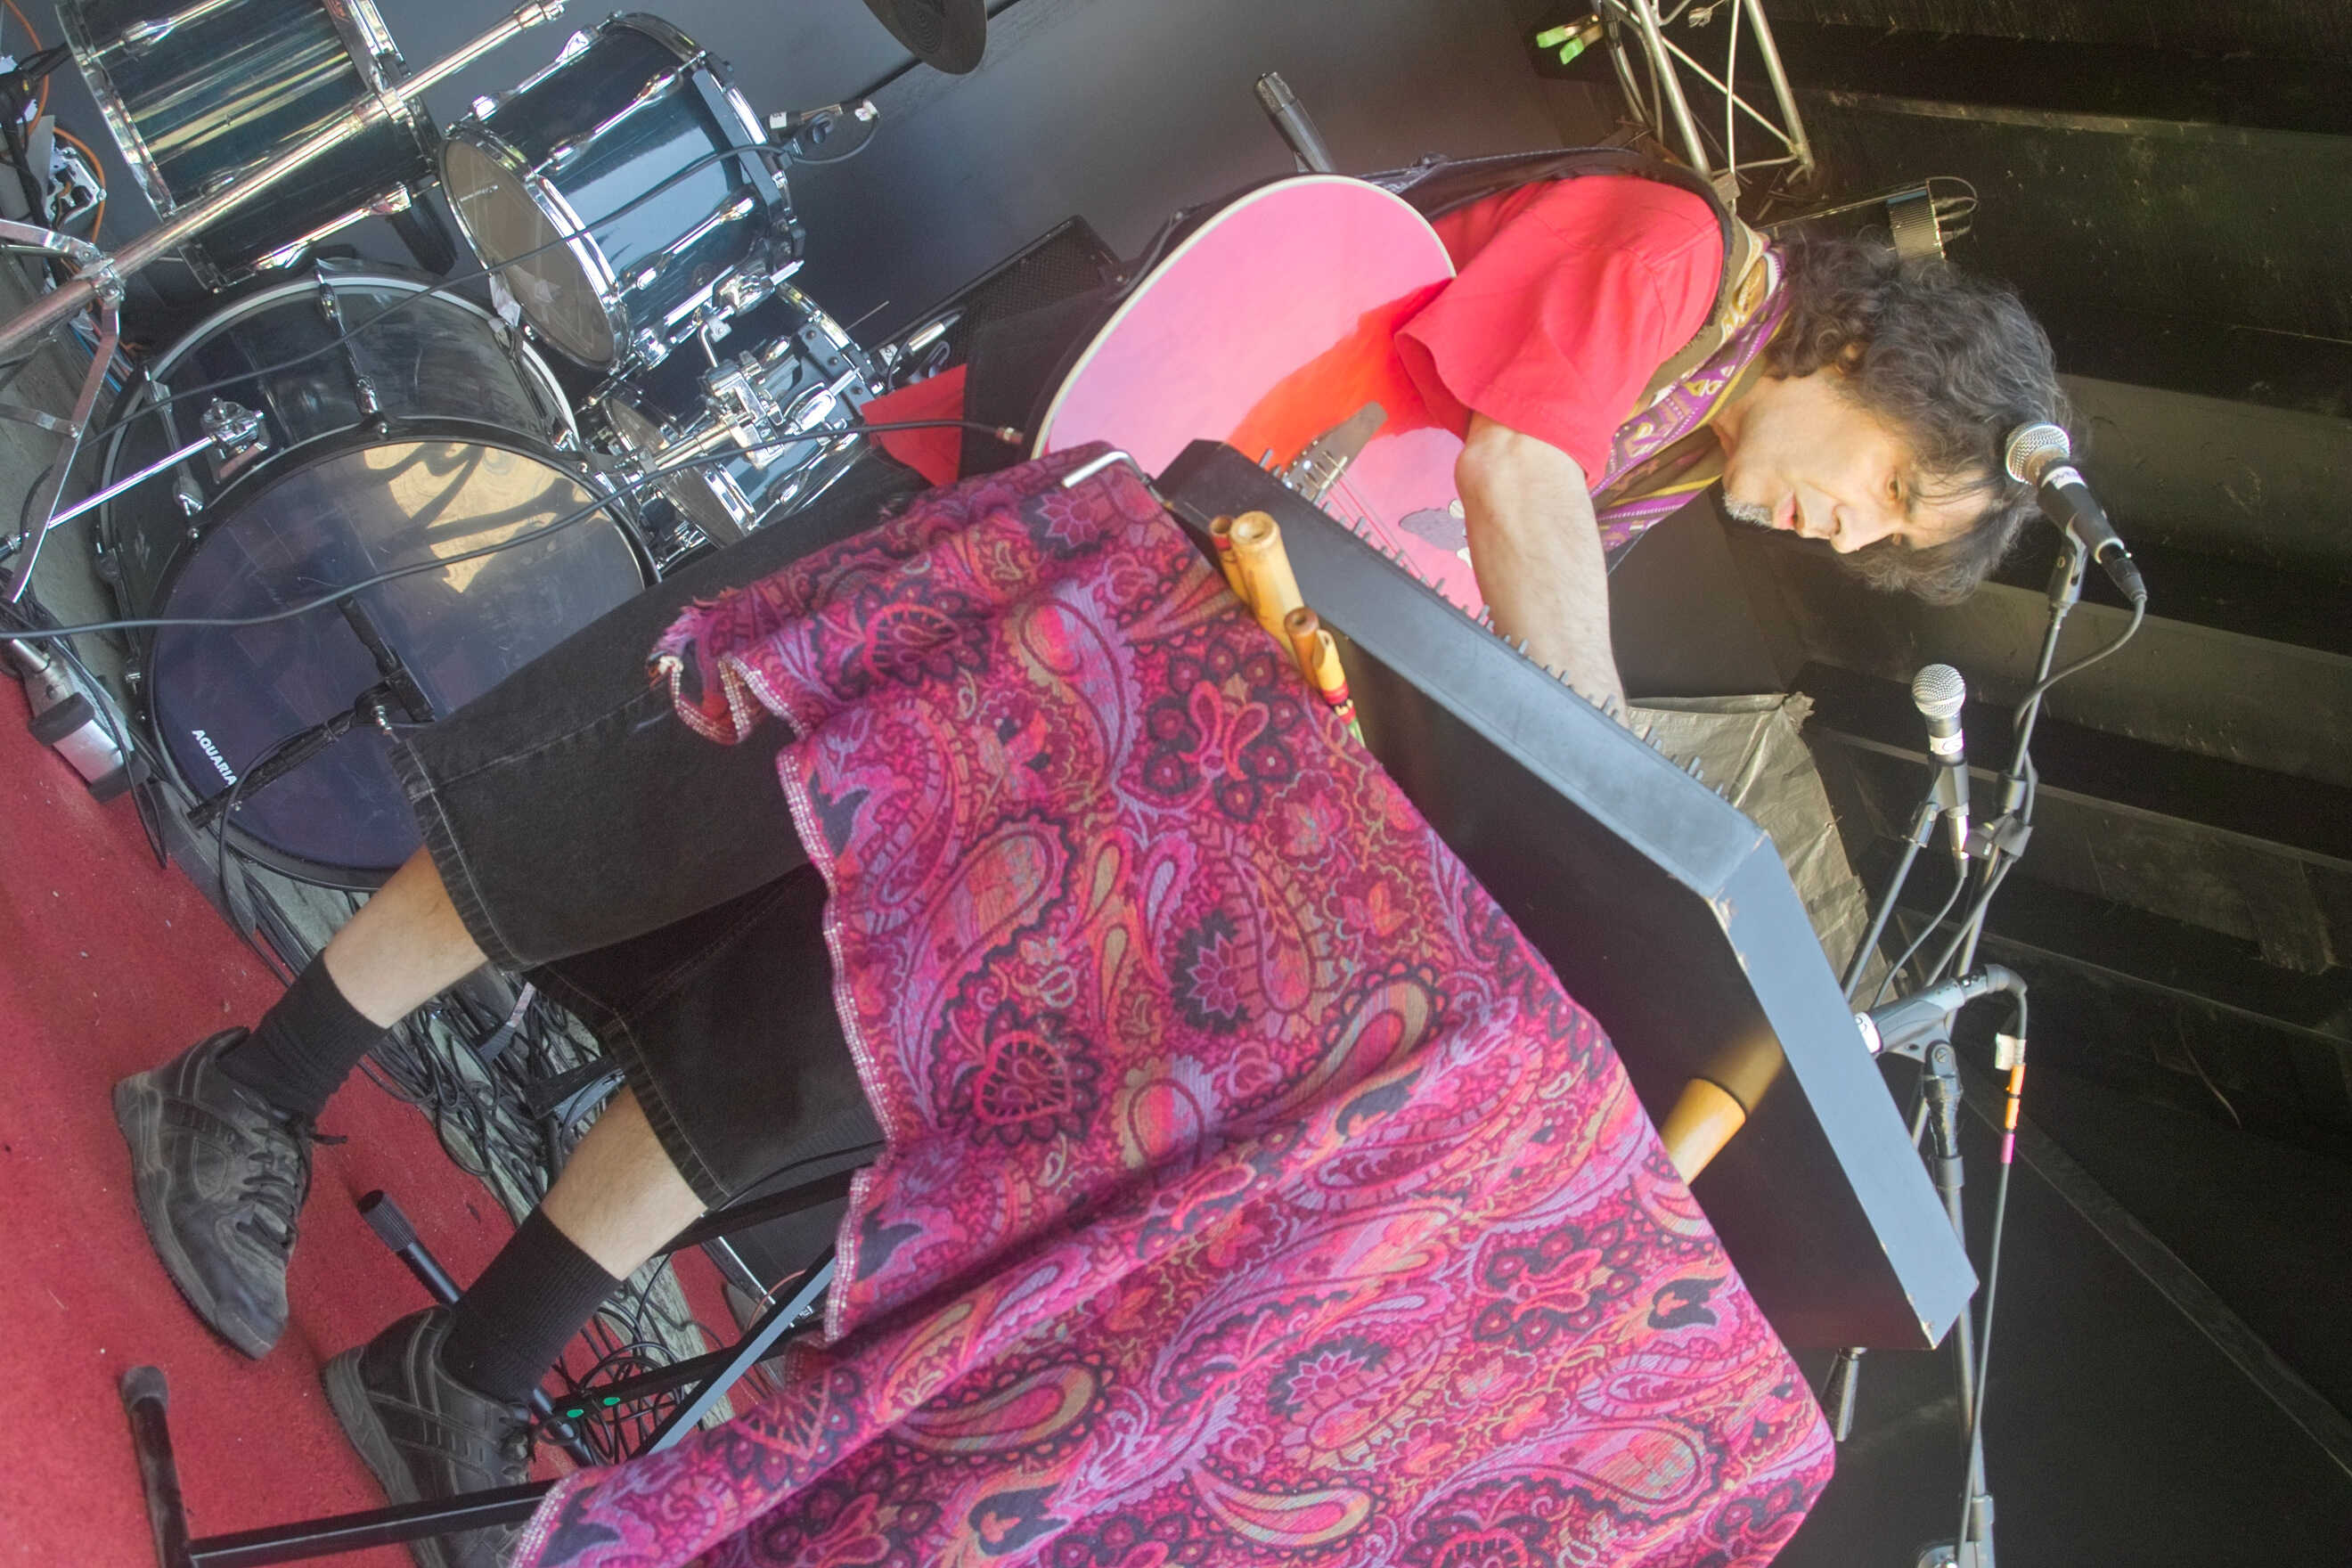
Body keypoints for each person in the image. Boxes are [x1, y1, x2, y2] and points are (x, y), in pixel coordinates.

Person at [111, 166, 2061, 1567]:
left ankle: (466, 1363)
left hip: (1127, 694)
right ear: (1874, 352)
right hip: (1010, 533)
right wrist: (1620, 771)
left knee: (832, 1034)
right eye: (1891, 482)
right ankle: (247, 1088)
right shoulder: (1684, 261)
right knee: (639, 809)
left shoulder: (1667, 447)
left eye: (1884, 540)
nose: (1847, 527)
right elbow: (1508, 470)